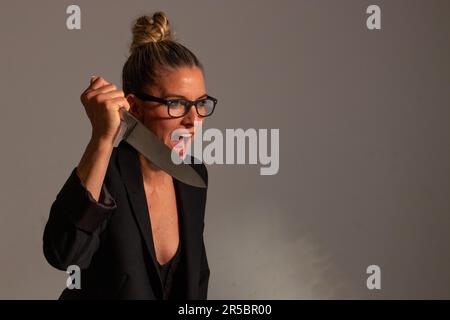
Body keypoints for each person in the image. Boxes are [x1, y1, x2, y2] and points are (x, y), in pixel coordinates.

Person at [42, 11, 217, 299]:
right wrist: (102, 137)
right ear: (134, 108)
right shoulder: (104, 174)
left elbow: (196, 276)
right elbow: (64, 255)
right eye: (176, 104)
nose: (193, 120)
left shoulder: (194, 174)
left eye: (200, 104)